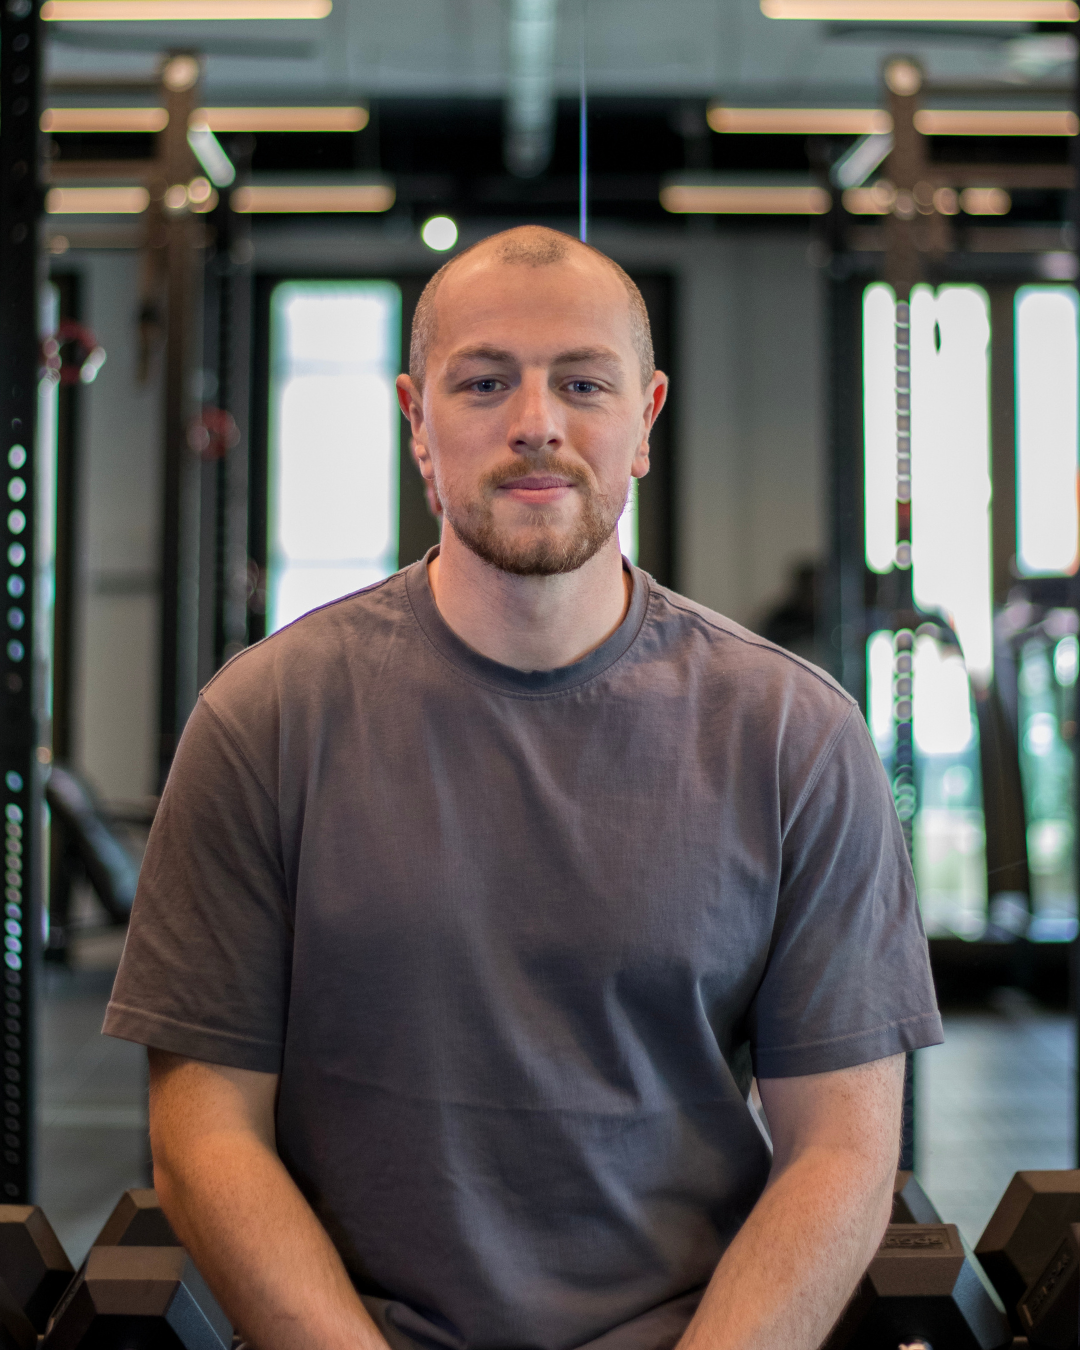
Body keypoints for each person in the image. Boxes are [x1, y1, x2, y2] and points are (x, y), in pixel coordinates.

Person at [104, 225, 943, 1350]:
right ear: (417, 421)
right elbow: (204, 1129)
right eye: (485, 381)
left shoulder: (794, 736)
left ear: (643, 421)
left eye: (581, 382)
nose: (535, 422)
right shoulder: (262, 724)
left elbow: (842, 1147)